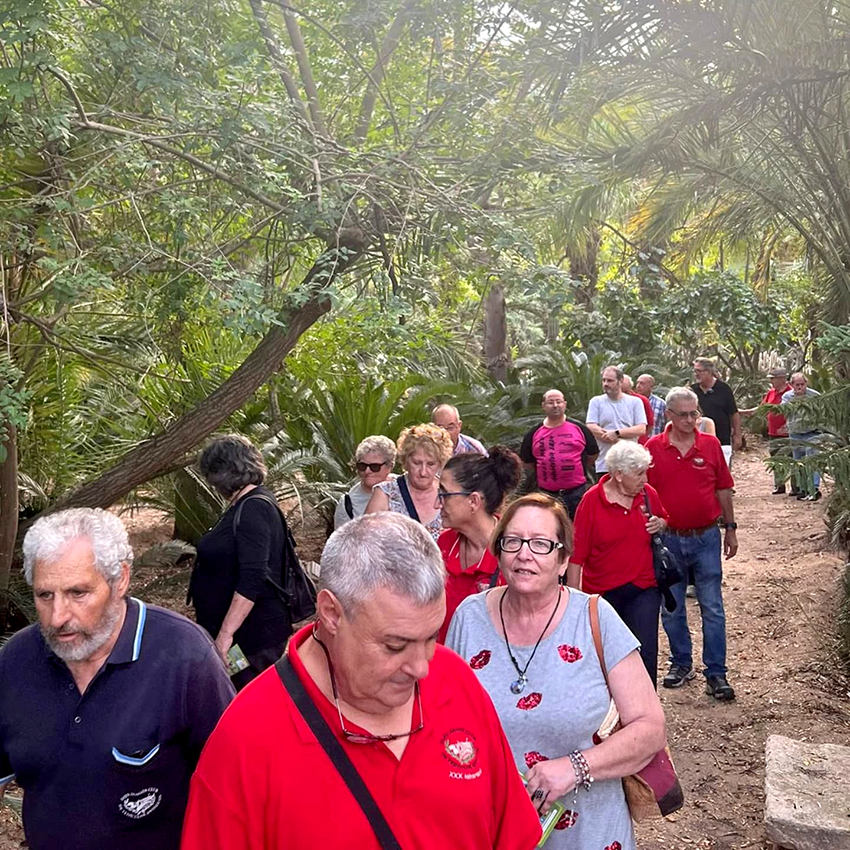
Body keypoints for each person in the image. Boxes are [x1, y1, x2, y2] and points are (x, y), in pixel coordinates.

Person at [181, 513, 543, 850]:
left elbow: (514, 834)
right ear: (332, 613)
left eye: (431, 637)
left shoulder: (456, 680)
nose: (421, 667)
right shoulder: (245, 740)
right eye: (395, 645)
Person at [0, 508, 234, 850]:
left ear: (120, 579)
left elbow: (235, 788)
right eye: (44, 595)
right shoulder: (15, 661)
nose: (57, 617)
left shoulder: (186, 658)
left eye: (78, 593)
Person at [446, 494, 666, 850]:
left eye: (541, 544)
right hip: (494, 832)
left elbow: (650, 727)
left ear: (564, 560)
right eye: (513, 541)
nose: (524, 554)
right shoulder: (468, 618)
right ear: (499, 551)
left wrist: (574, 767)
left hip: (589, 834)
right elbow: (444, 723)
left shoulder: (595, 618)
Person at [646, 388, 737, 701]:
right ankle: (681, 663)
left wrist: (731, 529)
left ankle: (717, 672)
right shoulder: (653, 448)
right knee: (671, 608)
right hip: (668, 542)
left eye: (693, 413)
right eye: (682, 414)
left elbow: (724, 489)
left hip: (706, 538)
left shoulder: (710, 445)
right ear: (669, 415)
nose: (689, 420)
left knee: (712, 607)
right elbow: (644, 494)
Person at [190, 434, 294, 688]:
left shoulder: (253, 508)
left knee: (246, 699)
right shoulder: (245, 504)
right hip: (246, 635)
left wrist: (225, 636)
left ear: (222, 472)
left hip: (251, 638)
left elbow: (252, 576)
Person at [568, 441, 668, 685]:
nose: (644, 478)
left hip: (644, 586)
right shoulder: (591, 502)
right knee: (606, 657)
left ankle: (647, 711)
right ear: (619, 474)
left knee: (645, 652)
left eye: (645, 471)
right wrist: (573, 601)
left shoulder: (648, 494)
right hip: (603, 593)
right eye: (639, 473)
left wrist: (660, 524)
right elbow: (576, 556)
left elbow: (665, 517)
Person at [436, 446, 523, 642]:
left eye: (444, 495)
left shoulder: (515, 554)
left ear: (473, 501)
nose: (437, 504)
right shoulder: (444, 544)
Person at [519, 388, 599, 519]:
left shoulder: (580, 428)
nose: (555, 405)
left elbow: (593, 454)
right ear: (543, 406)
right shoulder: (534, 433)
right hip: (547, 494)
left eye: (558, 402)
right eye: (551, 402)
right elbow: (527, 461)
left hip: (576, 493)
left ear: (565, 404)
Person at [365, 423, 453, 540]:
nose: (423, 472)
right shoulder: (385, 494)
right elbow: (364, 541)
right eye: (417, 463)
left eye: (431, 464)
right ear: (406, 461)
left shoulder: (450, 494)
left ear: (440, 464)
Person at [740, 367, 795, 495]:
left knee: (792, 459)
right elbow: (760, 409)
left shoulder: (791, 393)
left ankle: (796, 487)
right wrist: (741, 412)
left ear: (782, 378)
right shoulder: (771, 393)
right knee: (776, 459)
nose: (771, 381)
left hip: (789, 433)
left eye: (773, 378)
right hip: (773, 433)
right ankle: (779, 485)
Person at [586, 365, 647, 473]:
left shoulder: (635, 402)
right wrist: (609, 436)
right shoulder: (596, 402)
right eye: (604, 380)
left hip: (630, 463)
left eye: (610, 381)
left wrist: (617, 433)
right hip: (604, 464)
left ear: (621, 381)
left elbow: (641, 429)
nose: (605, 384)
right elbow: (591, 426)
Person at [334, 435, 397, 529]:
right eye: (362, 466)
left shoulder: (408, 488)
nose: (367, 471)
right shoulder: (348, 504)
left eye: (374, 467)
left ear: (390, 466)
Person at [691, 357, 741, 467]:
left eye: (699, 371)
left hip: (721, 440)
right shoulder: (692, 391)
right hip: (698, 442)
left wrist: (737, 435)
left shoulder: (723, 389)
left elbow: (733, 412)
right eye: (695, 371)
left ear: (709, 372)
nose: (696, 374)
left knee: (722, 472)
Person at [781, 372, 822, 501]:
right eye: (797, 385)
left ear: (806, 383)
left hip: (812, 432)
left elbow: (822, 410)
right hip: (795, 433)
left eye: (802, 384)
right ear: (791, 385)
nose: (800, 387)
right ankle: (802, 488)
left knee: (813, 460)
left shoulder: (814, 395)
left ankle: (814, 488)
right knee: (799, 461)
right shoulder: (787, 397)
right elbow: (783, 410)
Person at [621, 374, 654, 443]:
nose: (623, 395)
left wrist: (641, 438)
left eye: (626, 392)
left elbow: (650, 424)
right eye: (621, 391)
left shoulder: (641, 400)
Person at [635, 373, 667, 437]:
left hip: (654, 442)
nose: (638, 386)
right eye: (637, 383)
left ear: (651, 386)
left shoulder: (660, 404)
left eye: (642, 383)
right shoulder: (632, 401)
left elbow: (665, 426)